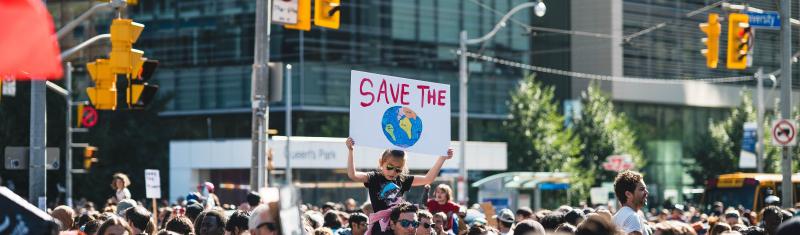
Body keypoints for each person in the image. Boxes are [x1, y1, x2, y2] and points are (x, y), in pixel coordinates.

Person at [345, 137, 454, 235]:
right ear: (381, 163)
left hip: (402, 223)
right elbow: (353, 175)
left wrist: (442, 158)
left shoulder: (402, 179)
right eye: (389, 167)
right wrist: (351, 151)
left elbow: (428, 179)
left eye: (398, 169)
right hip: (382, 226)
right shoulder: (374, 177)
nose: (393, 172)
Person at [612, 170, 651, 235]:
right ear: (628, 194)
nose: (647, 192)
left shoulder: (616, 217)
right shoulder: (632, 217)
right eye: (642, 189)